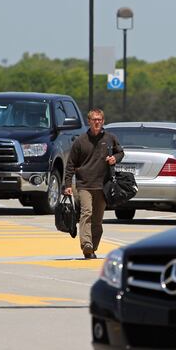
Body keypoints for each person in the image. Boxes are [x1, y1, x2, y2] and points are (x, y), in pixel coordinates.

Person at [64, 108, 124, 259]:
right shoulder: (80, 141)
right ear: (89, 121)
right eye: (94, 119)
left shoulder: (110, 138)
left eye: (99, 120)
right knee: (86, 213)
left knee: (97, 220)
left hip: (103, 185)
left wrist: (115, 159)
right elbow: (70, 164)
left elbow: (120, 152)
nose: (97, 122)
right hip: (84, 184)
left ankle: (92, 248)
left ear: (103, 121)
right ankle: (86, 244)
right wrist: (67, 185)